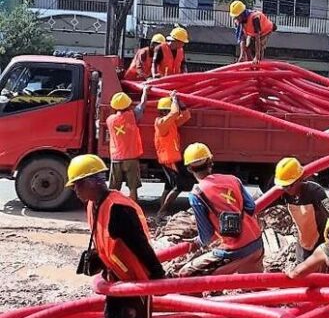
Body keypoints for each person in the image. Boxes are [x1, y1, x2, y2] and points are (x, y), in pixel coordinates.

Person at [66, 154, 161, 318]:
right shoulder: (94, 204)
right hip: (114, 276)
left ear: (92, 182)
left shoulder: (119, 209)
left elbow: (140, 245)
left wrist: (157, 276)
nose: (74, 190)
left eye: (77, 185)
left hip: (136, 278)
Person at [178, 143, 264, 276]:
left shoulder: (197, 194)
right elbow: (251, 208)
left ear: (189, 168)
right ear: (211, 162)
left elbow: (206, 237)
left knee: (187, 275)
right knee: (255, 287)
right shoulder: (233, 180)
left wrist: (197, 242)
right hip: (257, 244)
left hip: (235, 250)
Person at [272, 157, 329, 261]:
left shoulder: (315, 192)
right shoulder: (284, 194)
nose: (287, 189)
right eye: (284, 186)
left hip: (321, 243)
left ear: (299, 179)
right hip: (304, 243)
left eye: (290, 185)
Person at [154, 90, 192, 220]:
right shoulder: (162, 123)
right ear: (165, 111)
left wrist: (179, 101)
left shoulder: (170, 124)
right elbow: (175, 112)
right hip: (170, 159)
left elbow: (186, 115)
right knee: (179, 186)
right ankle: (162, 212)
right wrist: (174, 99)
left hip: (172, 158)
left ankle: (161, 212)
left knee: (169, 185)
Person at [106, 87, 148, 202]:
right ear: (128, 104)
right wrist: (145, 91)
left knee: (114, 189)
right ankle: (134, 208)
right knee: (133, 187)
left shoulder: (110, 120)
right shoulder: (132, 116)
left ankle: (113, 207)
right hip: (131, 158)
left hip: (116, 158)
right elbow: (143, 104)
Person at [230, 0, 276, 65]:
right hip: (252, 33)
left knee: (259, 45)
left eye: (237, 17)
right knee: (247, 47)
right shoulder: (239, 21)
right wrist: (242, 55)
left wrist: (257, 56)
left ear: (242, 14)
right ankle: (250, 64)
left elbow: (257, 38)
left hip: (265, 30)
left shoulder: (254, 18)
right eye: (235, 17)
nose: (236, 19)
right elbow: (242, 38)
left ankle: (259, 62)